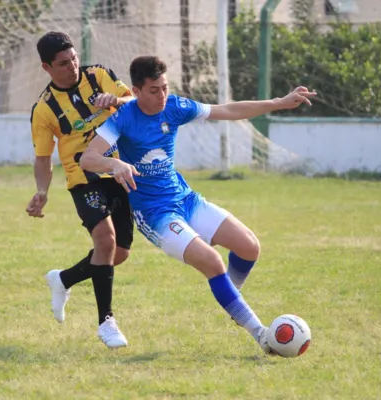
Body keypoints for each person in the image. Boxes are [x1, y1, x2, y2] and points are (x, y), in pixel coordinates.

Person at [79, 55, 316, 354]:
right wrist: (113, 163)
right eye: (154, 90)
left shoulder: (175, 107)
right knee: (213, 263)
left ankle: (232, 300)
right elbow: (87, 158)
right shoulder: (122, 119)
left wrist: (278, 102)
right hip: (155, 214)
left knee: (249, 247)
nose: (162, 95)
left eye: (165, 87)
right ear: (136, 91)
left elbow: (227, 110)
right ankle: (261, 335)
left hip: (185, 199)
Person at [26, 31, 135, 348]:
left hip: (117, 170)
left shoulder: (99, 75)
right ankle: (106, 323)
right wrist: (42, 192)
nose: (72, 66)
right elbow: (43, 157)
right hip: (82, 178)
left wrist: (116, 100)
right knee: (106, 240)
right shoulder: (44, 110)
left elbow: (134, 102)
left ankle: (63, 279)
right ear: (47, 68)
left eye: (73, 58)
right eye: (62, 63)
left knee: (120, 253)